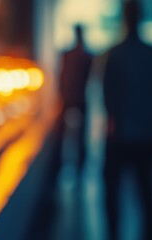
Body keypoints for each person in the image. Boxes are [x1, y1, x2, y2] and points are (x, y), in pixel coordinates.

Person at [102, 1, 152, 239]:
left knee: (113, 192)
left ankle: (113, 234)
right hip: (146, 135)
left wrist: (113, 124)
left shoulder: (115, 55)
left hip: (121, 136)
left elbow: (108, 96)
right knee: (147, 194)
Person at [58, 24, 93, 174]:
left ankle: (65, 164)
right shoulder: (86, 56)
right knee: (78, 135)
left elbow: (62, 76)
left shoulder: (70, 55)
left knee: (66, 134)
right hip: (77, 97)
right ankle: (77, 164)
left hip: (71, 97)